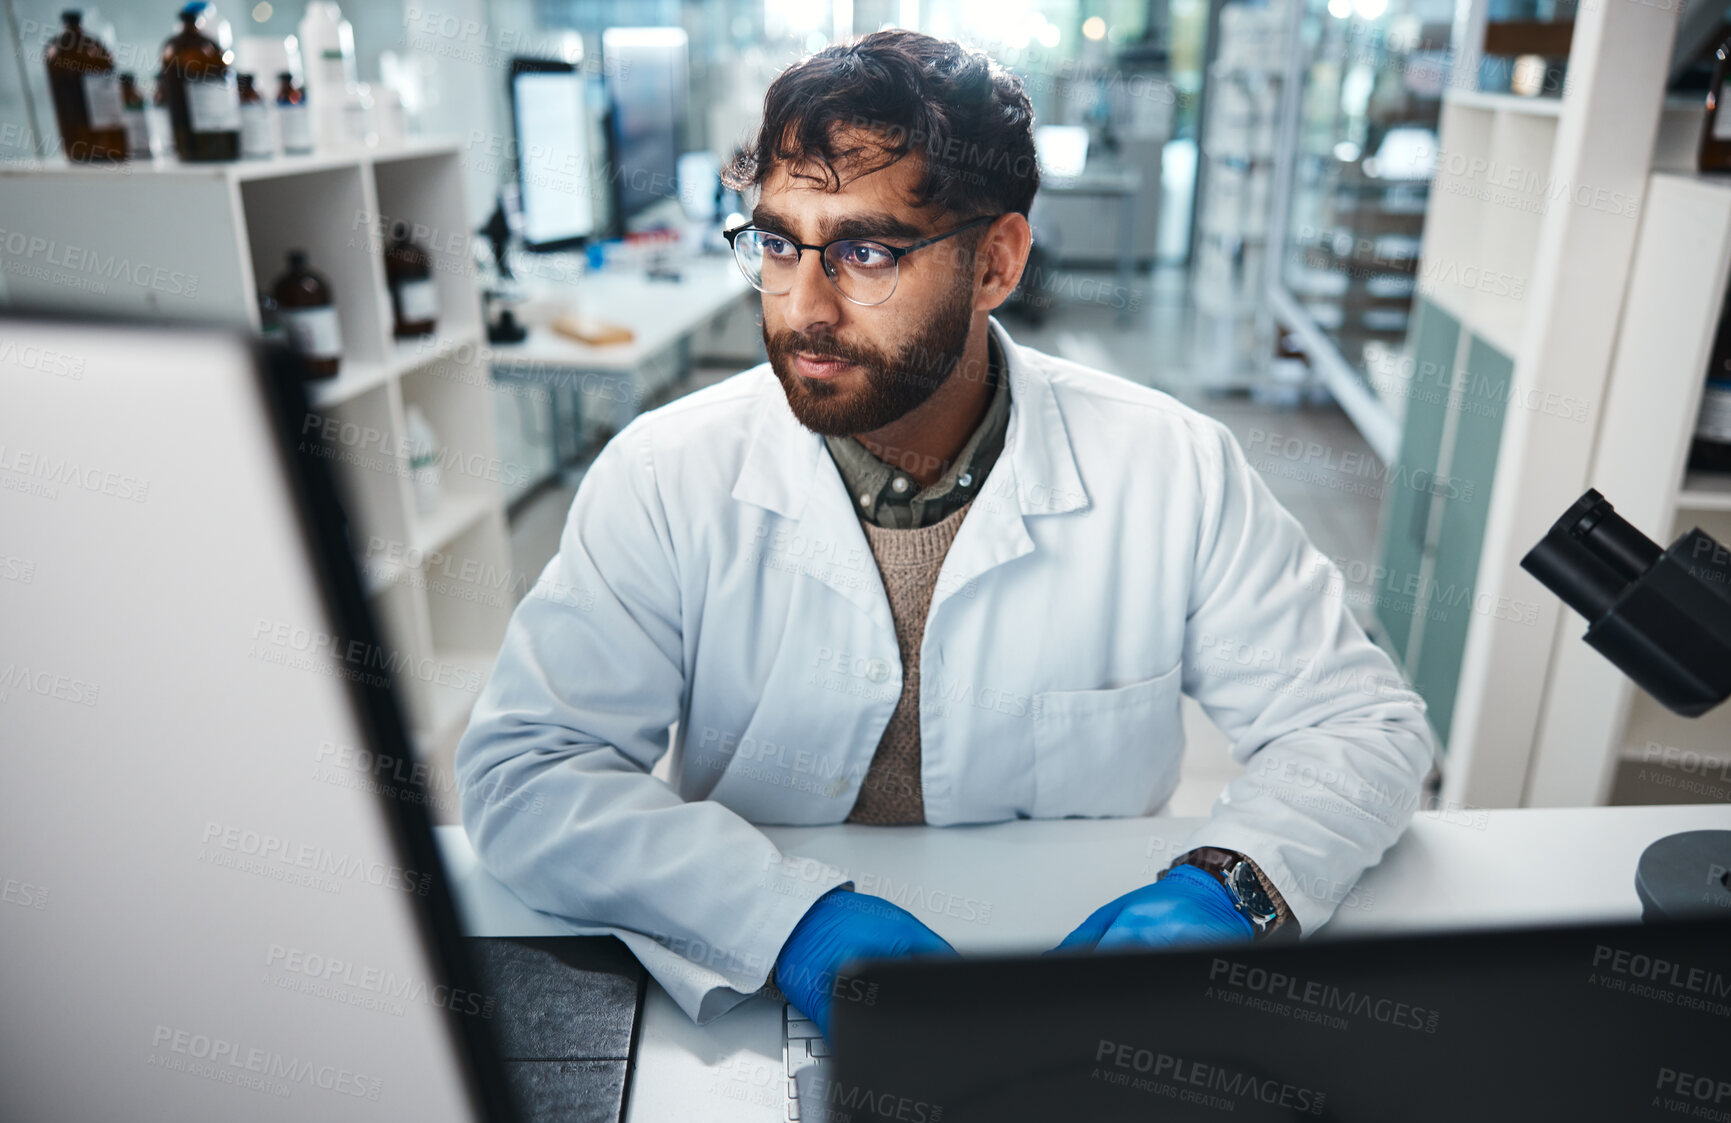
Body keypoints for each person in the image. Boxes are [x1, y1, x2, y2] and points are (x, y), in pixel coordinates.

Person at [456, 29, 1435, 1037]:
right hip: (745, 990)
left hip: (1080, 997)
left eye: (865, 251)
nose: (802, 306)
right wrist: (783, 921)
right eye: (778, 243)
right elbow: (526, 770)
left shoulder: (1170, 467)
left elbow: (1361, 725)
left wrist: (1234, 884)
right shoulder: (668, 474)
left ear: (997, 261)